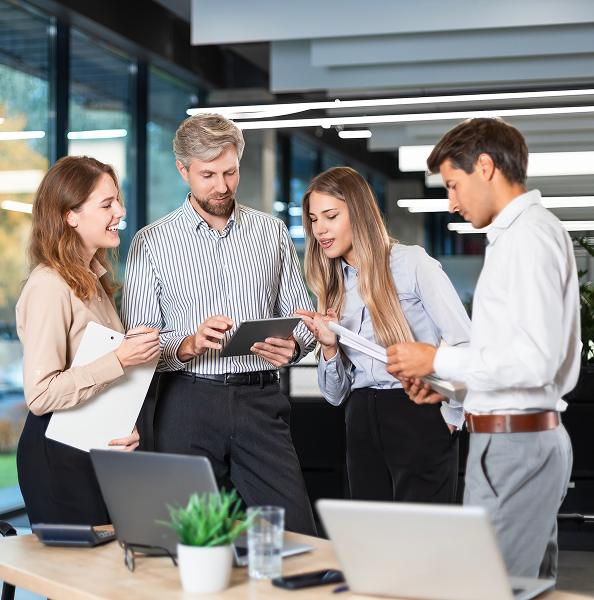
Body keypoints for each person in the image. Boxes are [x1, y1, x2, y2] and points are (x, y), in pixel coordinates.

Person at [386, 118, 577, 579]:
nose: (451, 202)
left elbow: (534, 361)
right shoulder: (520, 236)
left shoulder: (527, 239)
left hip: (516, 442)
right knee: (524, 586)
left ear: (486, 166)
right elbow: (515, 361)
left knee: (487, 587)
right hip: (518, 434)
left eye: (454, 184)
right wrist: (453, 389)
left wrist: (435, 359)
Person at [121, 114, 317, 535]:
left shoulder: (272, 232)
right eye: (207, 174)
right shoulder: (150, 243)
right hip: (186, 405)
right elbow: (136, 346)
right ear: (183, 170)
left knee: (296, 535)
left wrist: (296, 346)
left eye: (230, 172)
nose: (222, 186)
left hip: (261, 403)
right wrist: (187, 344)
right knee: (189, 541)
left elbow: (302, 318)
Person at [295, 166, 471, 504]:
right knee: (372, 538)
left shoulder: (411, 264)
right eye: (314, 219)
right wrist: (329, 348)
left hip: (417, 412)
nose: (320, 229)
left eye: (330, 216)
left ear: (359, 214)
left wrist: (453, 415)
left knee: (423, 537)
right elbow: (334, 396)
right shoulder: (333, 286)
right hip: (360, 419)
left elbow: (466, 341)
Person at [16, 156, 160, 526]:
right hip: (57, 453)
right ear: (71, 215)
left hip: (92, 447)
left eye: (118, 201)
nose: (121, 211)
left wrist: (123, 430)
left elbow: (95, 380)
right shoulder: (49, 285)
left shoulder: (95, 281)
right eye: (107, 204)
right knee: (81, 577)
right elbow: (41, 394)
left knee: (108, 573)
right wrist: (121, 358)